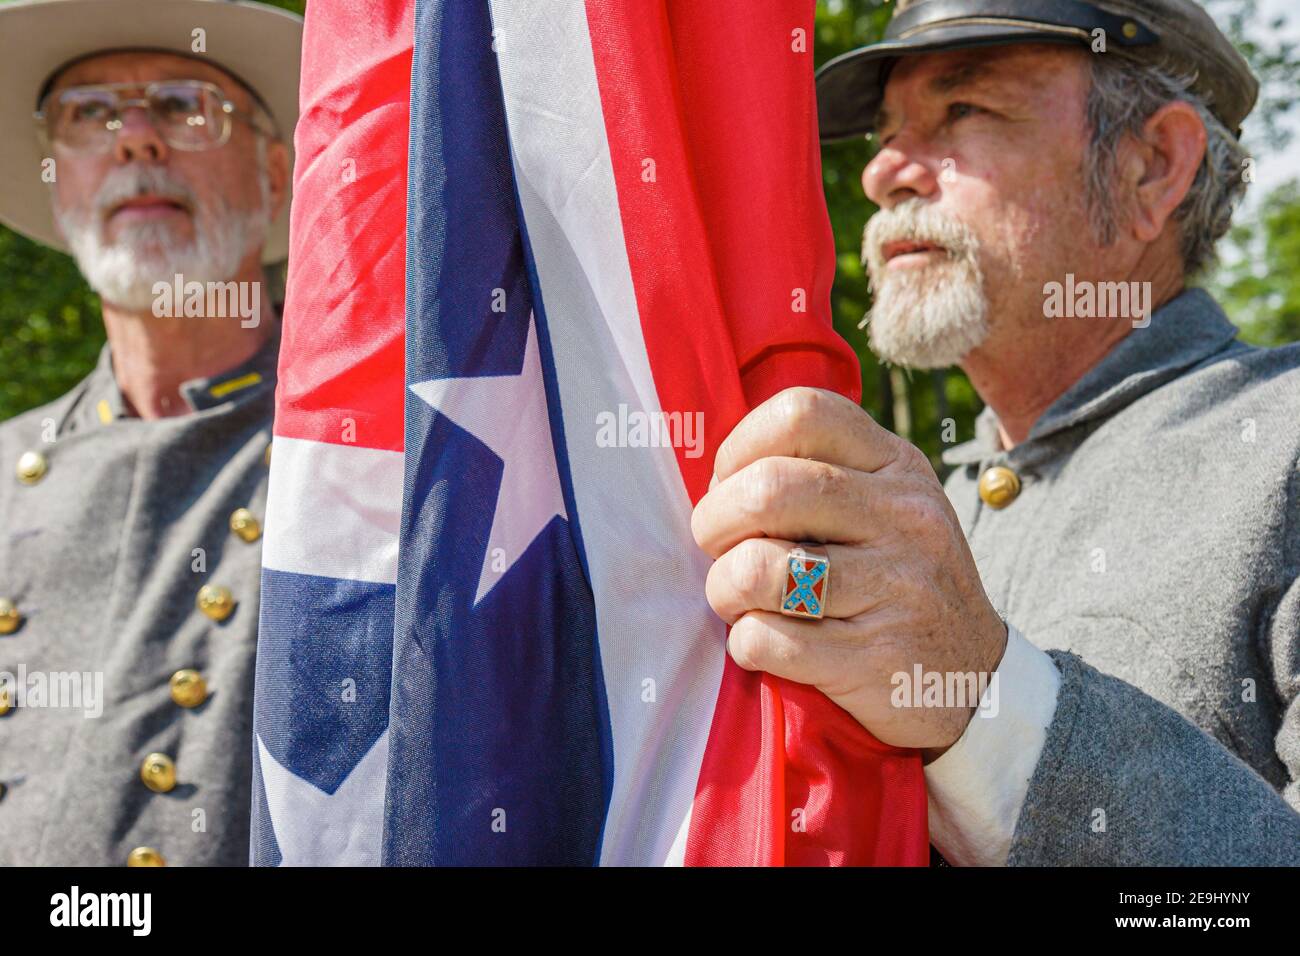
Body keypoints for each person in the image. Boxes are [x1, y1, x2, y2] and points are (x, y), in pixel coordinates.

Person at [692, 0, 1300, 864]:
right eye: (886, 132)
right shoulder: (931, 511)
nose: (883, 172)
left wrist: (981, 696)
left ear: (1152, 167)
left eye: (963, 110)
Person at [0, 0, 301, 865]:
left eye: (182, 105)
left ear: (274, 172)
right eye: (89, 115)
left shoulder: (365, 456)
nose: (135, 138)